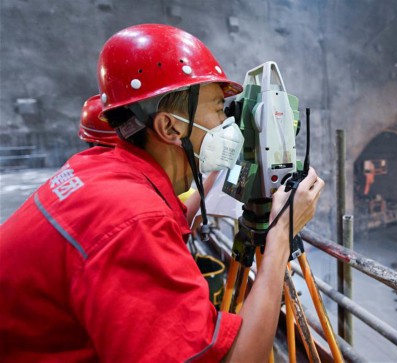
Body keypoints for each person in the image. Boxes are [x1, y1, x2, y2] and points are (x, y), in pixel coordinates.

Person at [0, 24, 324, 362]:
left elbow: (150, 218)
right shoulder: (133, 222)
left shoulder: (97, 167)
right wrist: (280, 237)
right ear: (170, 127)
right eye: (217, 109)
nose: (228, 124)